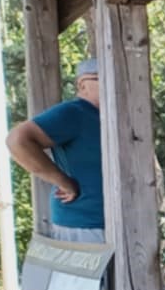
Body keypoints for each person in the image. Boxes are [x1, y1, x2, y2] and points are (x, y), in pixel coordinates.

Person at [7, 59, 106, 242]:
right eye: (103, 79)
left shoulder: (109, 117)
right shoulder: (73, 113)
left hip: (114, 222)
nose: (111, 86)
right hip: (84, 225)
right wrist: (62, 181)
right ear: (82, 85)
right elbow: (17, 141)